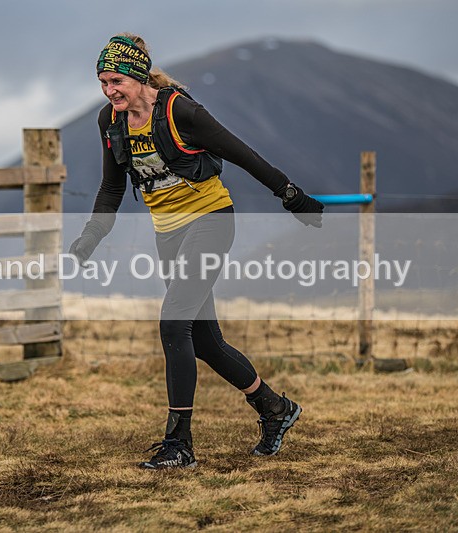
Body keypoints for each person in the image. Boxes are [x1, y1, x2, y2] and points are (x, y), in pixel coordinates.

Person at [69, 34, 324, 469]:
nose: (110, 91)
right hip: (168, 234)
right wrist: (90, 237)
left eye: (117, 81)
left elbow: (242, 154)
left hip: (210, 221)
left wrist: (290, 194)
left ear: (137, 76)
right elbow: (112, 186)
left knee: (173, 324)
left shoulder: (180, 111)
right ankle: (274, 408)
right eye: (103, 83)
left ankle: (179, 445)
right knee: (205, 340)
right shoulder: (110, 121)